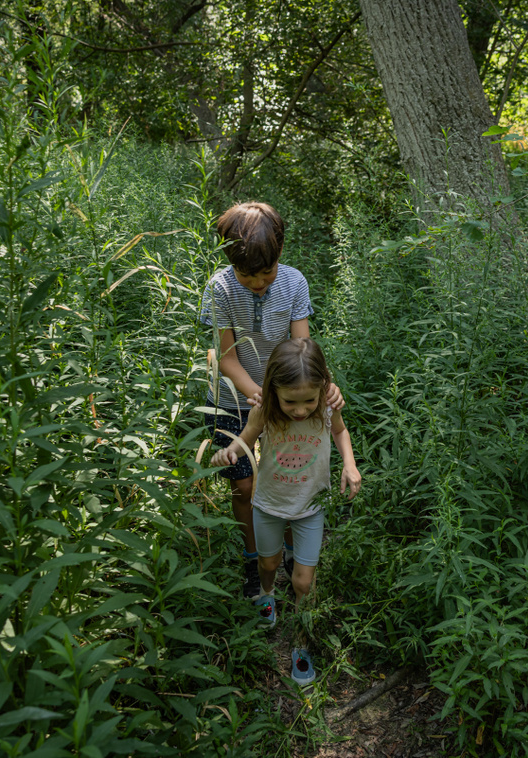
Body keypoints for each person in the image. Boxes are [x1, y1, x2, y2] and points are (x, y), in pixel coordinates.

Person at [199, 202, 342, 598]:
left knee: (292, 470)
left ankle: (295, 548)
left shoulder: (294, 283)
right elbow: (226, 358)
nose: (259, 283)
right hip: (231, 397)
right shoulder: (221, 288)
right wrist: (254, 393)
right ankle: (254, 556)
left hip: (282, 395)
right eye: (248, 275)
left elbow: (302, 345)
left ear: (280, 255)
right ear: (230, 261)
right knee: (243, 485)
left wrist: (323, 384)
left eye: (266, 273)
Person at [210, 338, 361, 685]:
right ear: (272, 388)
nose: (300, 410)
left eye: (309, 400)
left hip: (311, 508)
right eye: (291, 401)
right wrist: (230, 451)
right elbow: (246, 437)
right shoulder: (265, 410)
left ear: (323, 387)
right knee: (269, 563)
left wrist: (349, 465)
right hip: (269, 505)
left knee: (304, 581)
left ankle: (301, 638)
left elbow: (340, 432)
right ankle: (267, 595)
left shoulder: (326, 404)